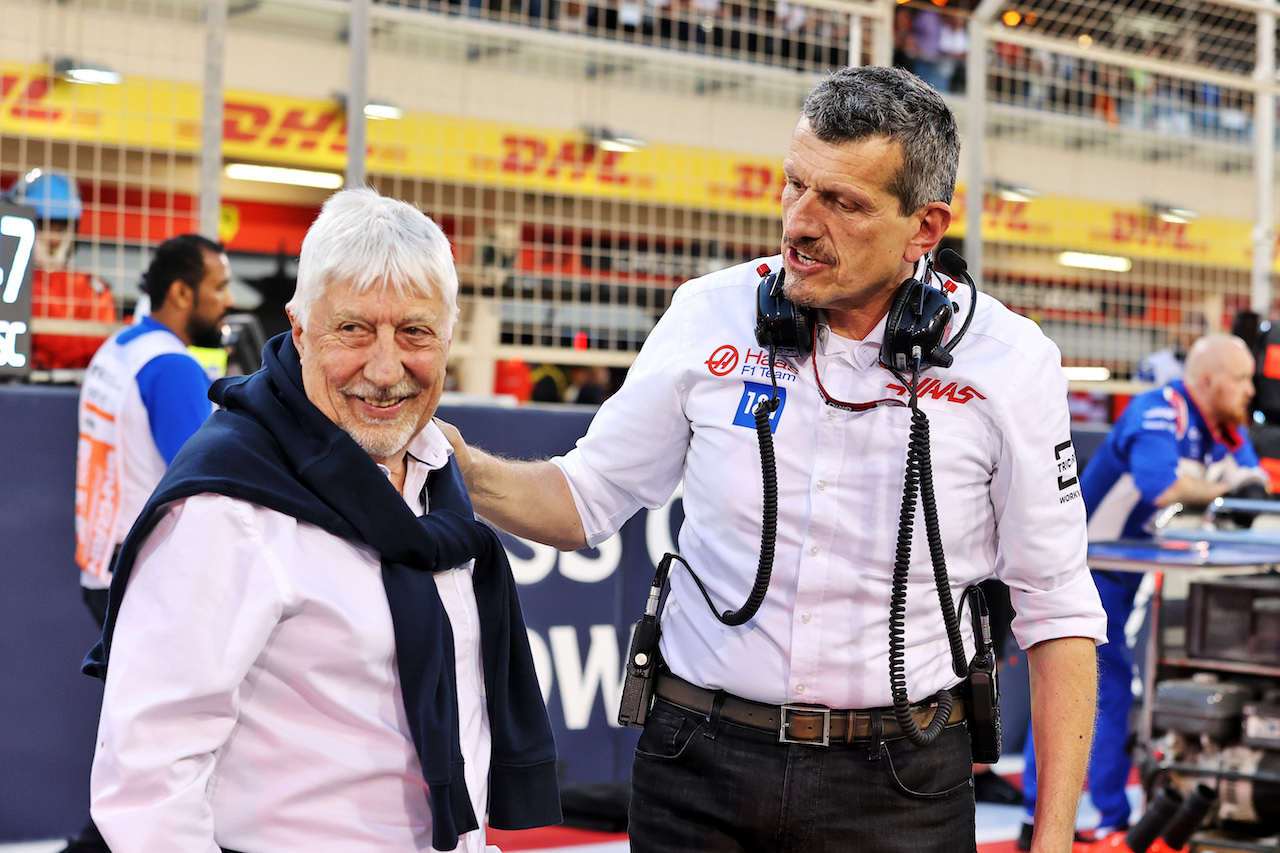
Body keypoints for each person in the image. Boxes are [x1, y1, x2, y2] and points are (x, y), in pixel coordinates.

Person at [441, 66, 1105, 853]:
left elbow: (1058, 610)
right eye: (795, 184)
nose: (799, 222)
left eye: (844, 203)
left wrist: (1054, 838)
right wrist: (460, 467)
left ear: (925, 228)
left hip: (904, 786)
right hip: (695, 766)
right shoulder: (707, 313)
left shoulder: (1009, 362)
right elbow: (585, 499)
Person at [84, 188, 560, 852]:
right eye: (354, 328)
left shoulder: (430, 466)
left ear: (448, 336)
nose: (386, 368)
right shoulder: (227, 511)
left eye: (415, 331)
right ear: (300, 329)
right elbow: (148, 782)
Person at [1018, 333, 1268, 850]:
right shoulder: (1158, 410)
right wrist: (1228, 490)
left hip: (1129, 570)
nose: (1251, 389)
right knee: (1097, 688)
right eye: (1241, 378)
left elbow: (1256, 488)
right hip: (1083, 568)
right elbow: (1166, 488)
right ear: (1207, 380)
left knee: (1112, 684)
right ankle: (1091, 821)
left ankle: (1076, 817)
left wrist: (1238, 489)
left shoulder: (1224, 423)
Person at [65, 233, 232, 853]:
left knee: (143, 753)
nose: (228, 302)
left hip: (102, 572)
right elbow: (212, 477)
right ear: (181, 291)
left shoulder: (118, 350)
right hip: (145, 584)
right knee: (159, 760)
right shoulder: (172, 369)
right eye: (218, 288)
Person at [3, 169, 119, 370]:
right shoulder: (9, 281)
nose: (52, 237)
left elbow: (103, 349)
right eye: (43, 225)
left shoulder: (91, 287)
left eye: (60, 227)